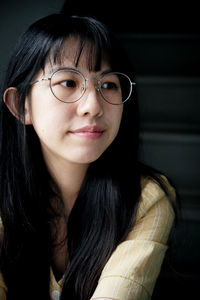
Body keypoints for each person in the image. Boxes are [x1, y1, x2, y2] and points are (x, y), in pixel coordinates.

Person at [0, 13, 176, 300]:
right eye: (68, 82)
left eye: (108, 85)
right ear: (21, 105)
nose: (93, 106)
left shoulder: (146, 198)